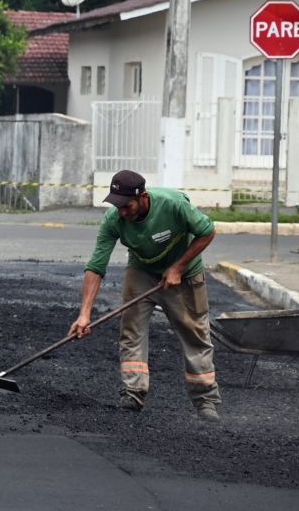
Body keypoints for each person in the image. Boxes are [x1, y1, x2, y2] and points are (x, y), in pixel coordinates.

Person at [70, 170, 221, 422]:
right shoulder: (114, 220)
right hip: (142, 270)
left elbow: (207, 231)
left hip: (184, 274)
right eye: (117, 206)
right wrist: (84, 315)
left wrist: (178, 268)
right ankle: (133, 392)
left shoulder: (173, 206)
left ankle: (205, 400)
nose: (122, 213)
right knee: (131, 330)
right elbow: (96, 266)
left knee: (194, 334)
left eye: (127, 206)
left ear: (143, 198)